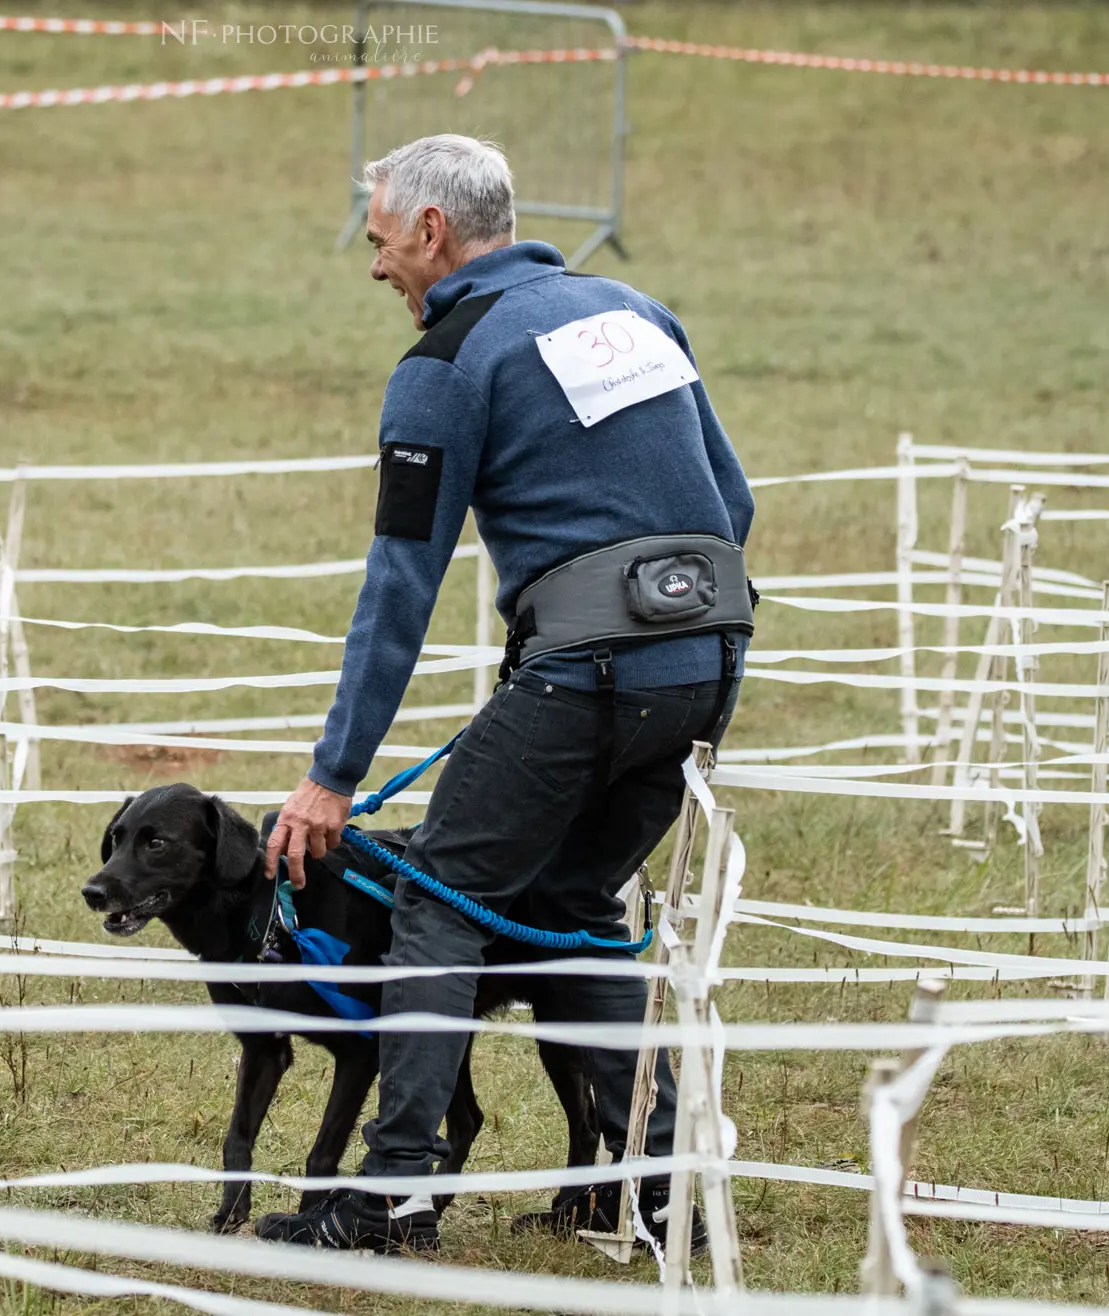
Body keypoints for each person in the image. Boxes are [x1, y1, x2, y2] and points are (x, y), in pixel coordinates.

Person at [257, 134, 756, 1252]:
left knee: (440, 892)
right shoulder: (631, 309)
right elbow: (732, 498)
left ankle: (393, 1192)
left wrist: (331, 775)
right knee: (566, 906)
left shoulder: (446, 362)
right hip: (710, 662)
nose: (375, 265)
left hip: (591, 673)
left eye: (381, 241)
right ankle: (664, 1183)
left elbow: (400, 584)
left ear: (431, 233)